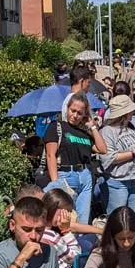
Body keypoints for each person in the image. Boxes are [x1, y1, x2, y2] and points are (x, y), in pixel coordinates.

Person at [44, 93, 106, 225]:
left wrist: (92, 126)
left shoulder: (85, 133)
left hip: (84, 177)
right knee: (63, 220)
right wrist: (56, 182)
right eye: (73, 110)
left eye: (79, 113)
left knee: (81, 222)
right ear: (67, 108)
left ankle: (79, 245)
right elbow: (51, 155)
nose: (75, 115)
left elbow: (102, 149)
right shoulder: (57, 126)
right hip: (65, 175)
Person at [98, 95, 135, 223]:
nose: (133, 113)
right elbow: (109, 157)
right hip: (119, 180)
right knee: (117, 217)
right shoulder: (107, 131)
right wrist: (133, 153)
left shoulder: (131, 130)